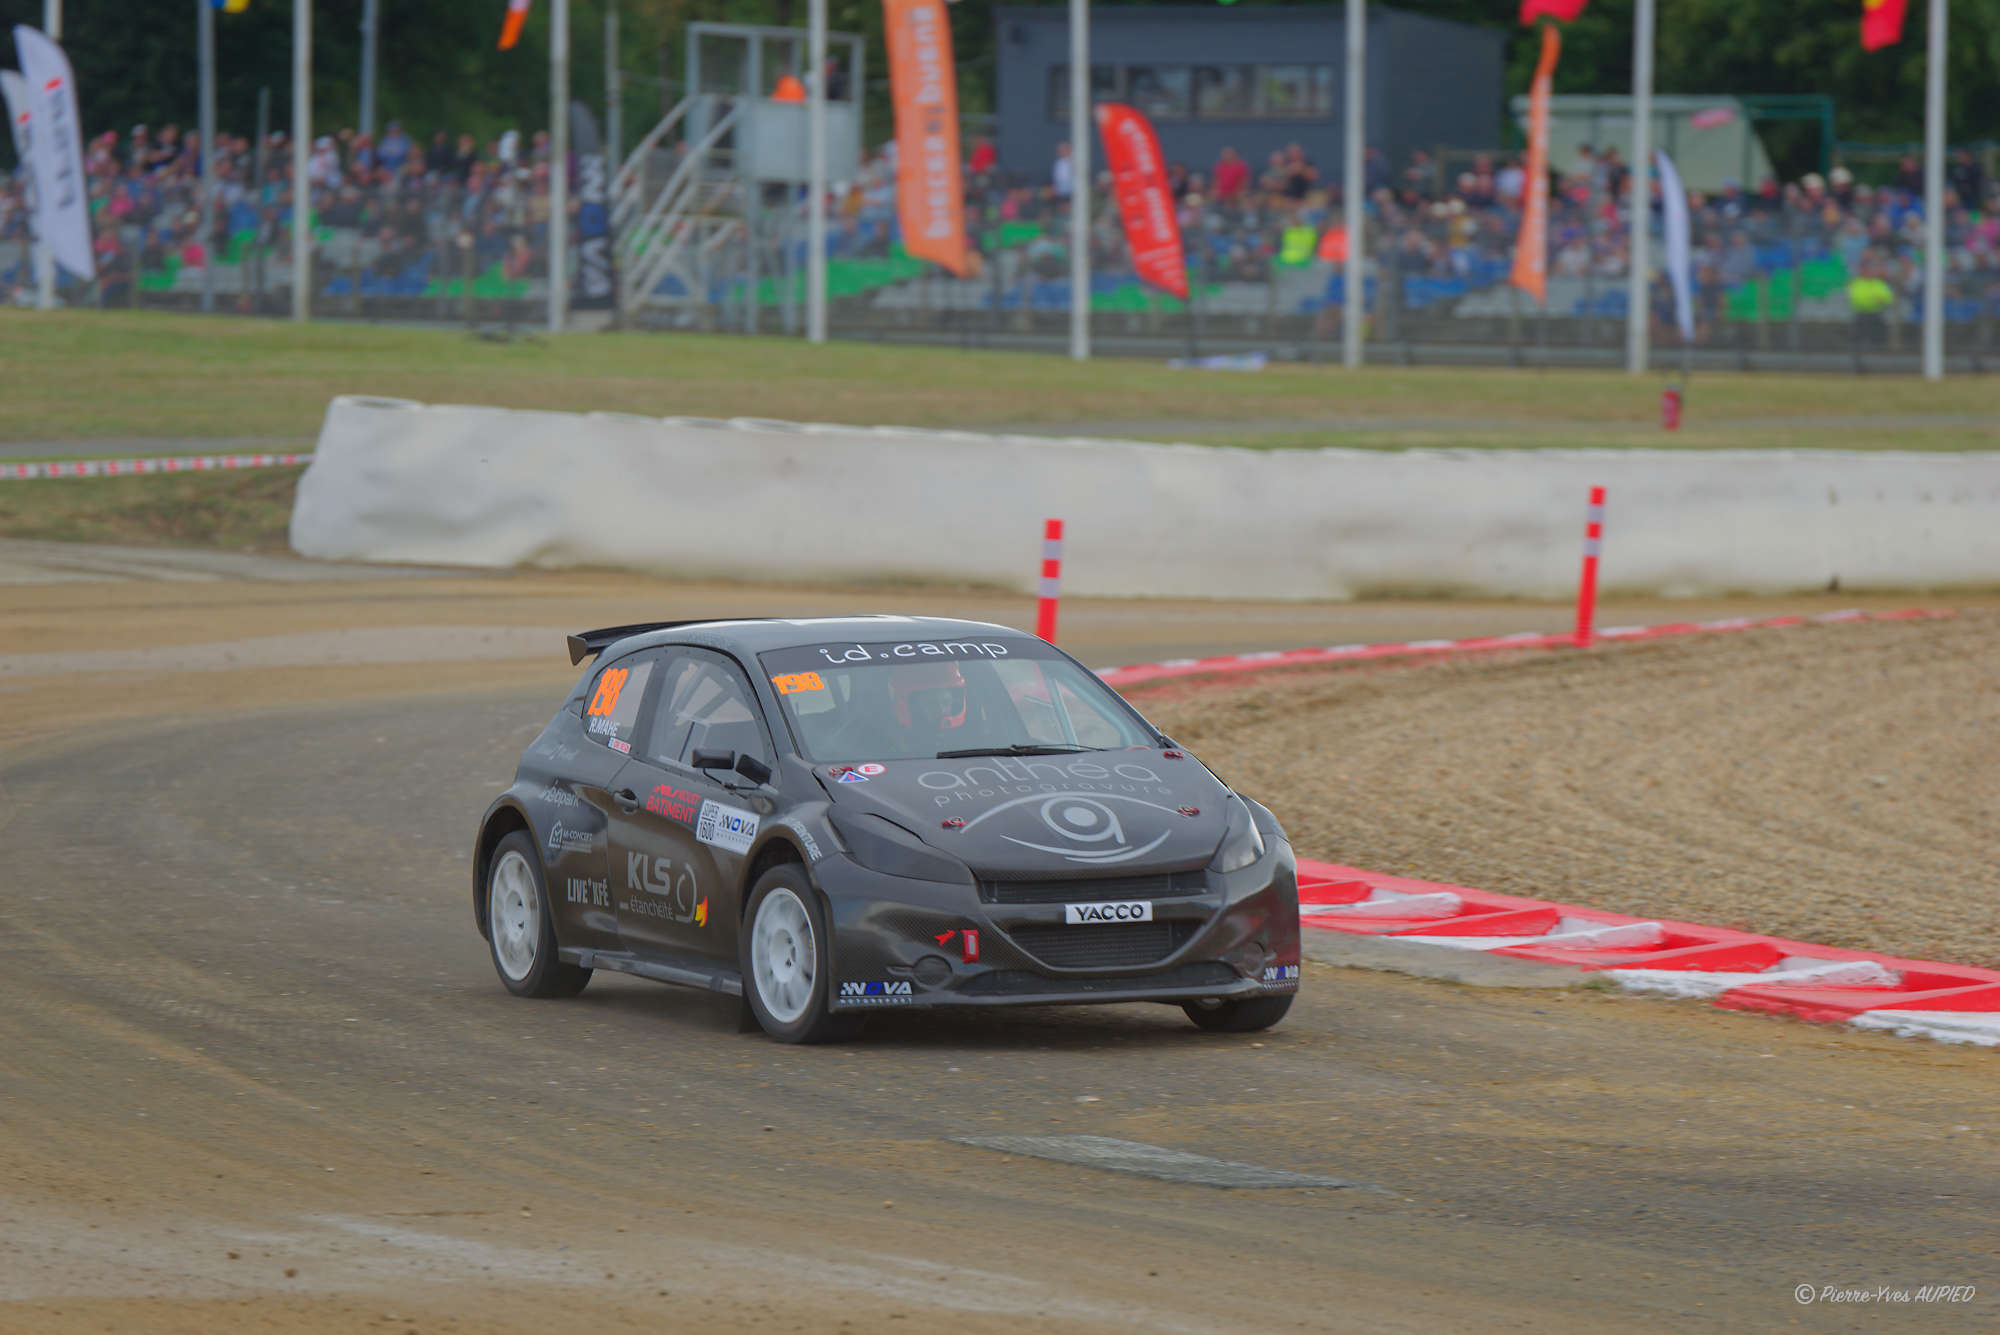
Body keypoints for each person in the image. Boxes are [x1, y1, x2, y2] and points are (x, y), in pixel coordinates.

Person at [888, 663, 968, 751]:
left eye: (946, 702)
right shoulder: (896, 742)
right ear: (916, 706)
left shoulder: (969, 737)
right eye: (931, 704)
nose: (941, 710)